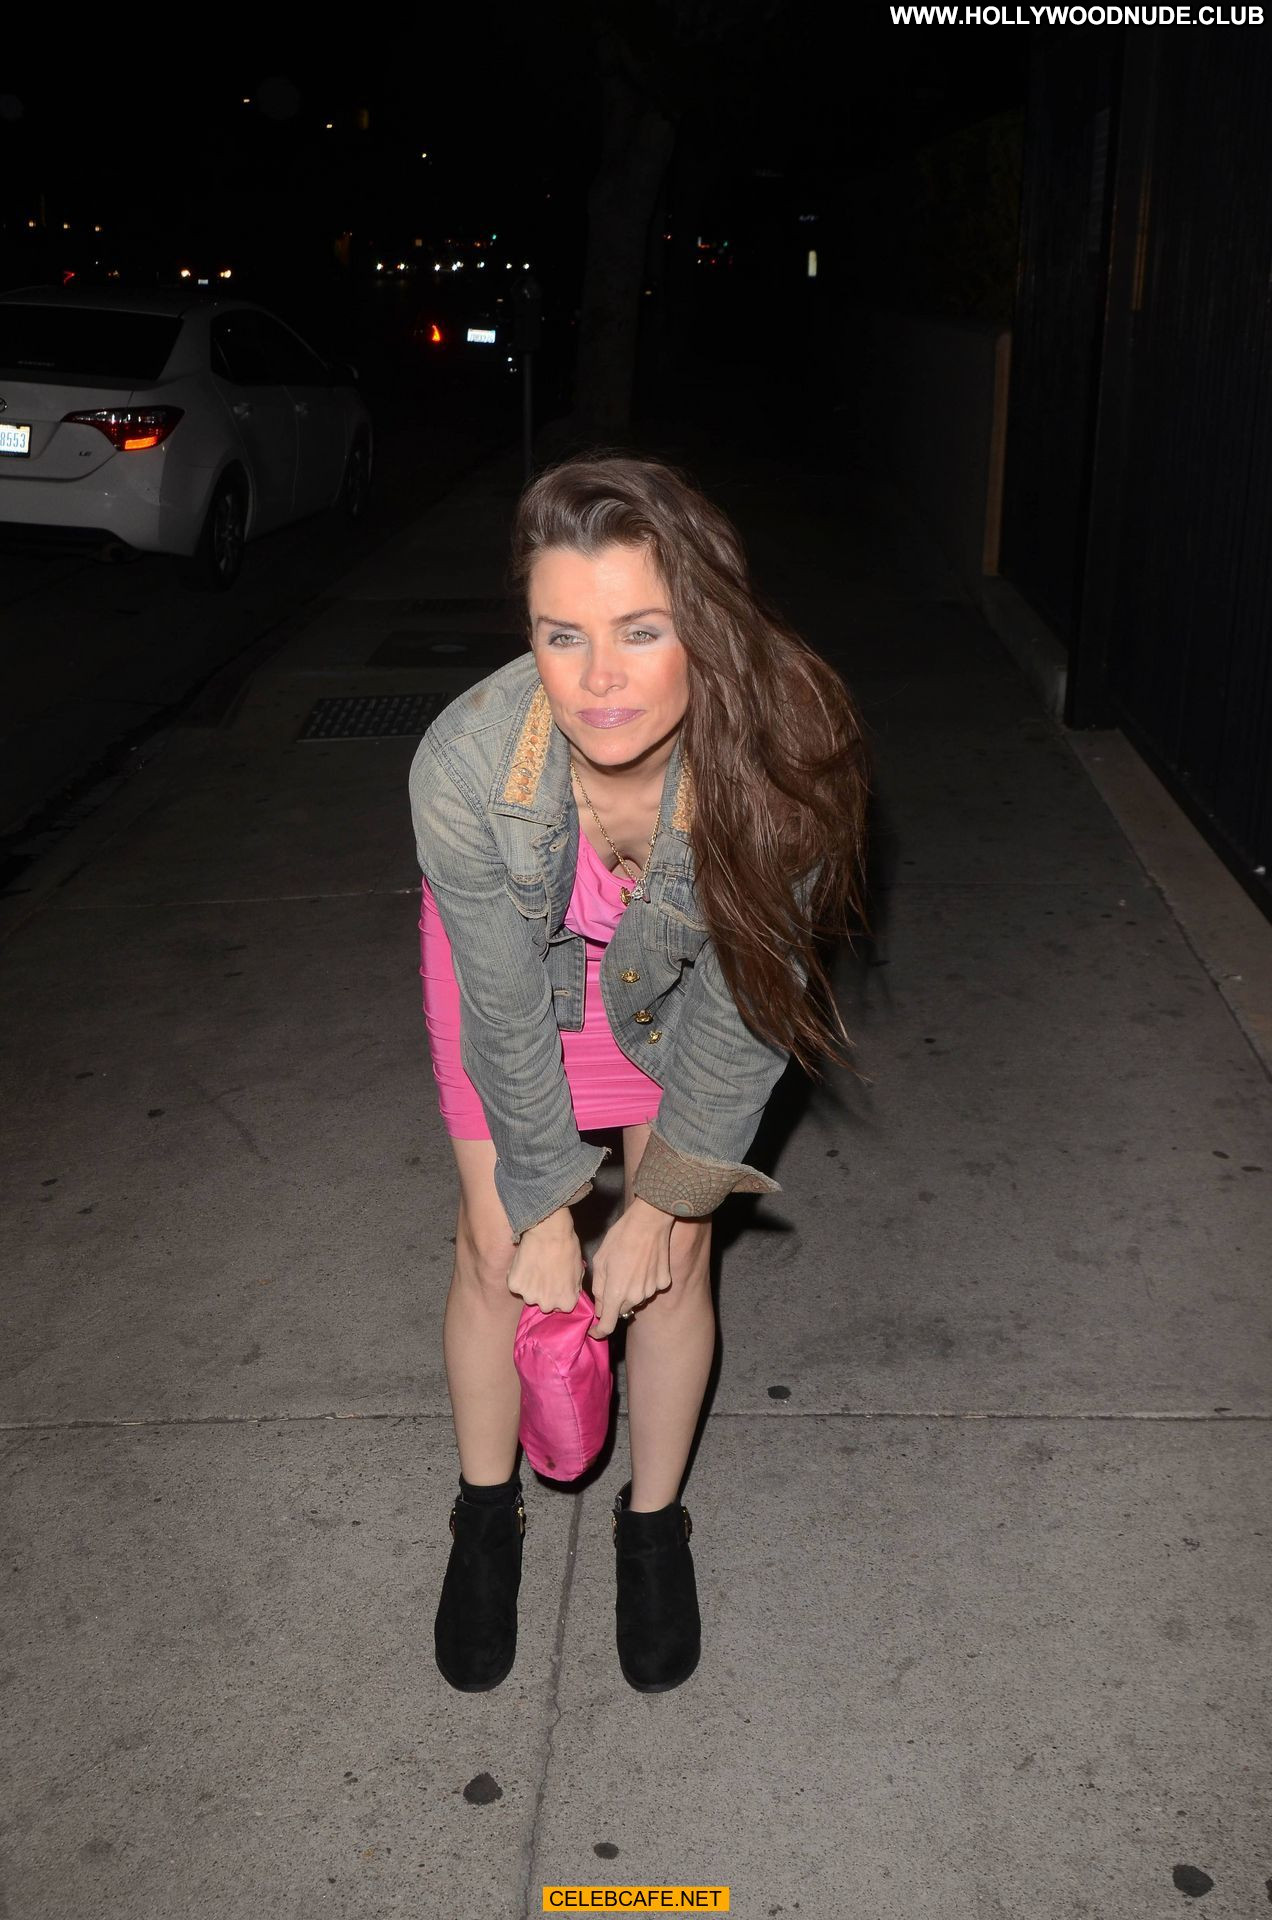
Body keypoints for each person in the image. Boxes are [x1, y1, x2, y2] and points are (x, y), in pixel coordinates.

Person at [409, 453, 869, 1695]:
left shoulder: (789, 759)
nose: (597, 678)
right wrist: (545, 1208)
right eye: (562, 634)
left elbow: (744, 1015)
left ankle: (653, 1522)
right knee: (493, 1244)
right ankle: (485, 1510)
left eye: (641, 630)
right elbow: (503, 1008)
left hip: (688, 977)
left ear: (706, 628)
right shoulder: (464, 764)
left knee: (672, 1262)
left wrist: (656, 1207)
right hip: (518, 960)